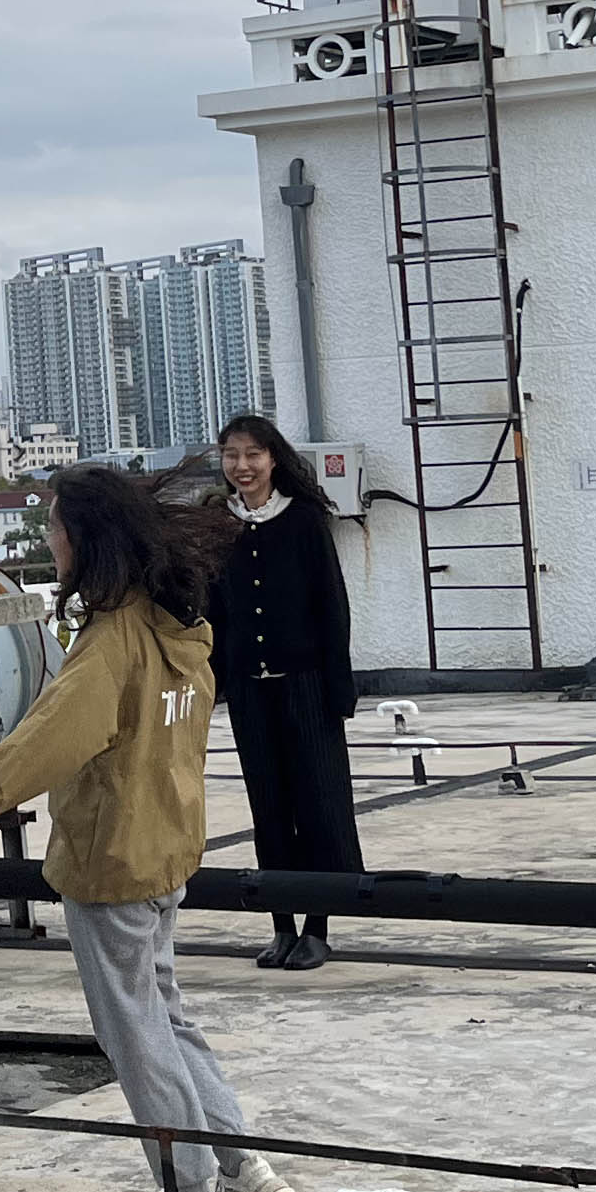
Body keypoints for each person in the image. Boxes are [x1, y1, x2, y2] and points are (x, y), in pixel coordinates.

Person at [0, 464, 294, 1192]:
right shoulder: (178, 628)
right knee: (165, 1016)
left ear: (84, 538)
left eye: (54, 525)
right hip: (167, 850)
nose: (48, 538)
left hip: (113, 861)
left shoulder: (110, 642)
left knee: (135, 1035)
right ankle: (244, 1169)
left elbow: (51, 736)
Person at [211, 414, 363, 970]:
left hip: (307, 688)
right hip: (250, 693)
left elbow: (332, 606)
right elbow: (213, 610)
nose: (242, 466)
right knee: (268, 808)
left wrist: (339, 690)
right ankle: (281, 924)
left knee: (318, 805)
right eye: (232, 455)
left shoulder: (303, 521)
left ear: (273, 458)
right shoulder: (218, 524)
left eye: (253, 454)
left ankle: (318, 926)